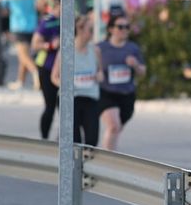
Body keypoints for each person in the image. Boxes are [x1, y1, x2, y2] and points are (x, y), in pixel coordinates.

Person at [97, 14, 147, 150]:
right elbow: (91, 66)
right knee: (114, 126)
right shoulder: (101, 48)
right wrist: (98, 72)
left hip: (127, 94)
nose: (124, 30)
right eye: (120, 27)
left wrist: (135, 65)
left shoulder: (132, 48)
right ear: (111, 29)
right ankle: (107, 159)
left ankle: (110, 154)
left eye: (127, 27)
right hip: (106, 92)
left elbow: (143, 71)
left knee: (117, 129)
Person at [54, 15, 102, 146]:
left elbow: (100, 71)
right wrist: (67, 86)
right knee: (74, 140)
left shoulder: (95, 50)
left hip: (90, 96)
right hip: (71, 97)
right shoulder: (66, 51)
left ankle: (84, 164)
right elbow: (54, 77)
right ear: (80, 30)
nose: (92, 33)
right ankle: (72, 164)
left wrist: (100, 76)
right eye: (90, 30)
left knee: (92, 140)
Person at [32, 0, 63, 139]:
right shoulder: (48, 21)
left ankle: (62, 139)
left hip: (64, 69)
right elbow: (35, 44)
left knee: (64, 107)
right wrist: (50, 45)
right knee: (50, 106)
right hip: (47, 67)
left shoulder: (71, 22)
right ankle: (44, 138)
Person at [3, 0, 40, 90]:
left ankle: (36, 73)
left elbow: (4, 7)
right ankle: (20, 81)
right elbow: (40, 5)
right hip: (32, 24)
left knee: (23, 55)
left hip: (18, 25)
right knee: (24, 55)